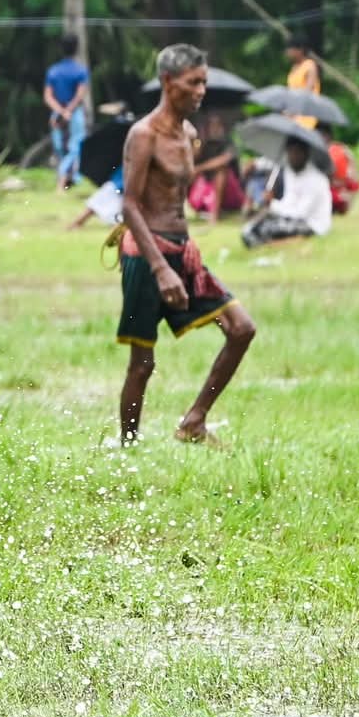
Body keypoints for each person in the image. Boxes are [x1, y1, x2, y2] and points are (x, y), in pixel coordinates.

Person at [115, 44, 257, 445]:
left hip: (182, 250)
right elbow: (130, 205)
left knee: (241, 328)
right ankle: (127, 446)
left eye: (203, 82)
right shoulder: (144, 135)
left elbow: (175, 198)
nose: (200, 91)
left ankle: (194, 420)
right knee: (142, 362)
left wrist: (186, 244)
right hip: (146, 257)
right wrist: (160, 268)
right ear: (167, 81)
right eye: (193, 83)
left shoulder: (190, 134)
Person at [240, 139, 332, 248]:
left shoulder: (315, 178)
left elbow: (300, 213)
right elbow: (288, 202)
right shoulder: (291, 171)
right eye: (290, 152)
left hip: (313, 224)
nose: (293, 156)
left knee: (261, 231)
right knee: (250, 228)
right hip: (292, 217)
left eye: (297, 152)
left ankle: (281, 242)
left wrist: (273, 205)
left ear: (306, 154)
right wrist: (270, 205)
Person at [43, 36, 91, 191]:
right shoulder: (80, 70)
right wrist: (68, 111)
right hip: (74, 114)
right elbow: (80, 94)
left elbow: (48, 96)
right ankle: (63, 182)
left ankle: (67, 180)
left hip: (57, 113)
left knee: (60, 148)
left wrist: (59, 111)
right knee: (75, 147)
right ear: (76, 49)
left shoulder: (53, 71)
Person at [186, 112, 244, 222]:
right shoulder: (203, 143)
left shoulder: (229, 142)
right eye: (211, 125)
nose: (214, 128)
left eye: (216, 125)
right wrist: (198, 143)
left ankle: (214, 214)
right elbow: (190, 162)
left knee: (221, 171)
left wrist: (200, 168)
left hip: (231, 192)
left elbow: (223, 160)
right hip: (206, 188)